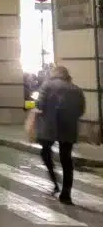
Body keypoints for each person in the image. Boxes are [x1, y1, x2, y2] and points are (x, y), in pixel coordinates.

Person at [36, 66, 86, 205]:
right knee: (66, 159)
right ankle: (66, 193)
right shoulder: (76, 89)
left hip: (49, 126)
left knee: (45, 152)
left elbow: (40, 104)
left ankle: (54, 179)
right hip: (68, 127)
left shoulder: (47, 85)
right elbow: (81, 110)